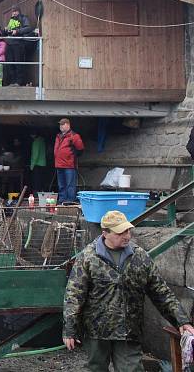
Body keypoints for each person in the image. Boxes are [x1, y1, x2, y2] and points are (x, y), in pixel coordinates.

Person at [63, 210, 194, 372]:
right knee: (95, 368)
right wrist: (70, 329)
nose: (126, 235)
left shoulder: (139, 257)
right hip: (96, 331)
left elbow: (161, 292)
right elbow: (74, 296)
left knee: (132, 369)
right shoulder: (88, 258)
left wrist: (181, 321)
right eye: (120, 232)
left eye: (128, 230)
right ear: (105, 233)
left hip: (128, 330)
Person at [54, 118, 84, 204]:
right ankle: (62, 200)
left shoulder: (74, 136)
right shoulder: (58, 136)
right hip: (59, 164)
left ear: (68, 125)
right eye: (60, 125)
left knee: (70, 185)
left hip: (69, 165)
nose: (61, 126)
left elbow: (80, 148)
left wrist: (72, 156)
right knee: (61, 185)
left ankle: (70, 201)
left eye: (62, 124)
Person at [4, 6, 34, 86]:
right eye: (13, 11)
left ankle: (19, 82)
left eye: (15, 11)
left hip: (18, 43)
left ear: (19, 11)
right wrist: (6, 30)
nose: (14, 13)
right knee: (10, 63)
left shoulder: (23, 18)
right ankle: (12, 81)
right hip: (9, 43)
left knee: (18, 63)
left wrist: (17, 31)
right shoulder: (11, 20)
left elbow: (28, 28)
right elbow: (8, 31)